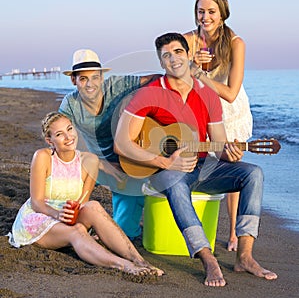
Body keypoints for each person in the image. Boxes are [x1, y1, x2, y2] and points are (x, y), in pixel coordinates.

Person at [114, 32, 277, 287]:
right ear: (161, 63)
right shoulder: (149, 94)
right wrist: (164, 161)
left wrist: (230, 152)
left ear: (189, 55)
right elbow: (122, 143)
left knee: (253, 174)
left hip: (203, 166)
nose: (173, 59)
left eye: (178, 52)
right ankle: (207, 258)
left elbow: (220, 145)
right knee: (175, 182)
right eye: (166, 55)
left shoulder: (208, 95)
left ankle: (244, 256)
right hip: (162, 170)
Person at [8, 112, 163, 277]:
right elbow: (36, 203)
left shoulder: (89, 161)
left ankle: (139, 261)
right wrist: (58, 214)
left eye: (70, 129)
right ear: (50, 140)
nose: (68, 137)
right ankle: (124, 265)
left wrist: (75, 218)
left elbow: (83, 203)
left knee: (93, 206)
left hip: (67, 217)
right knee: (77, 231)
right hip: (40, 218)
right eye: (60, 134)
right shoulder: (43, 157)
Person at [58, 49, 161, 240]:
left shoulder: (118, 85)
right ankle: (77, 225)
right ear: (74, 80)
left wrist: (132, 100)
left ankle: (117, 222)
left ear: (102, 77)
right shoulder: (70, 103)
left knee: (125, 233)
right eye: (83, 79)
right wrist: (100, 164)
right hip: (92, 162)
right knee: (64, 185)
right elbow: (61, 140)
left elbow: (157, 79)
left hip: (128, 164)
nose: (90, 85)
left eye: (95, 78)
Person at [184, 0, 253, 251]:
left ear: (222, 13)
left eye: (211, 11)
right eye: (201, 11)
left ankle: (235, 231)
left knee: (233, 164)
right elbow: (167, 68)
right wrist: (190, 62)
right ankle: (192, 219)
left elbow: (231, 93)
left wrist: (200, 75)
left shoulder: (236, 43)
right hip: (200, 110)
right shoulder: (188, 40)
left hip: (229, 110)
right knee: (197, 160)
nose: (205, 17)